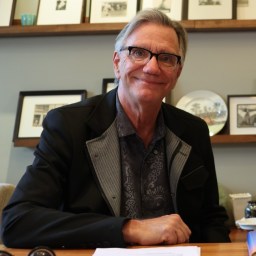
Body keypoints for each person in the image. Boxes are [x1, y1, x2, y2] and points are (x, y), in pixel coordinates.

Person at [1, 9, 230, 248]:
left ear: (177, 72)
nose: (152, 67)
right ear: (117, 63)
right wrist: (130, 228)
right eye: (138, 53)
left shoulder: (194, 130)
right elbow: (17, 222)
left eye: (166, 58)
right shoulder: (68, 125)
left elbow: (211, 219)